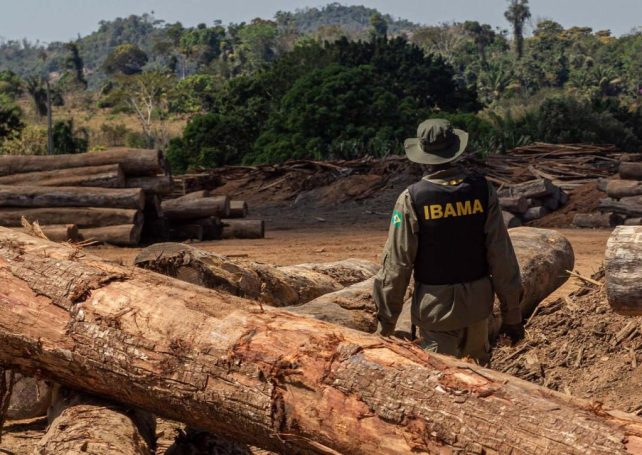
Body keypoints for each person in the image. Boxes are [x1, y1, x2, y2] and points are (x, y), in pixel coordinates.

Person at [373, 118, 524, 364]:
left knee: (444, 386)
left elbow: (397, 265)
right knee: (480, 381)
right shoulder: (482, 191)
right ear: (455, 151)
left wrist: (386, 324)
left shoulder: (412, 199)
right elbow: (501, 255)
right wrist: (513, 315)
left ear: (422, 156)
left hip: (436, 313)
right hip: (478, 308)